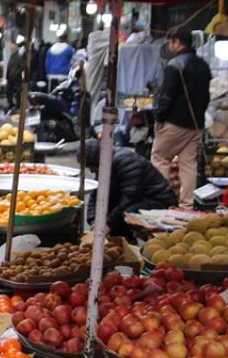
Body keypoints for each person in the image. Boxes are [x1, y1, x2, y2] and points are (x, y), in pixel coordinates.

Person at [153, 28, 211, 205]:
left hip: (174, 123)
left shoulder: (175, 65)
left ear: (177, 42)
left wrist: (160, 119)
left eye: (171, 42)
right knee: (188, 164)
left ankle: (161, 200)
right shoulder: (203, 65)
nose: (170, 46)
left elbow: (167, 96)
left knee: (160, 158)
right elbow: (207, 96)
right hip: (196, 124)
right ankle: (187, 204)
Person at [81, 142, 176, 238]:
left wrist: (108, 223)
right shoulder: (104, 165)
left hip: (158, 201)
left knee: (124, 214)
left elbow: (130, 198)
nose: (91, 171)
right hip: (139, 199)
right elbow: (96, 195)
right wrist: (93, 220)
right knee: (110, 206)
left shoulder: (127, 162)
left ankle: (125, 239)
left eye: (92, 167)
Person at [4, 43, 25, 111]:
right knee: (8, 92)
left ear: (16, 49)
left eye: (12, 48)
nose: (11, 50)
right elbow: (9, 67)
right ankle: (11, 105)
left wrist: (17, 73)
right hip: (10, 78)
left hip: (16, 78)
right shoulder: (12, 56)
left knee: (17, 92)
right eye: (11, 48)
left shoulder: (19, 57)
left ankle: (17, 106)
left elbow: (23, 67)